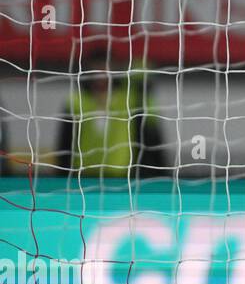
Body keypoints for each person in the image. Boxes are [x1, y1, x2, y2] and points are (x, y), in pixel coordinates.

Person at [54, 42, 169, 180]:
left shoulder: (129, 99)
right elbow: (65, 144)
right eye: (95, 67)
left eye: (105, 66)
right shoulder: (76, 101)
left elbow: (148, 135)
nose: (101, 73)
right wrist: (63, 175)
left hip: (121, 177)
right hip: (84, 176)